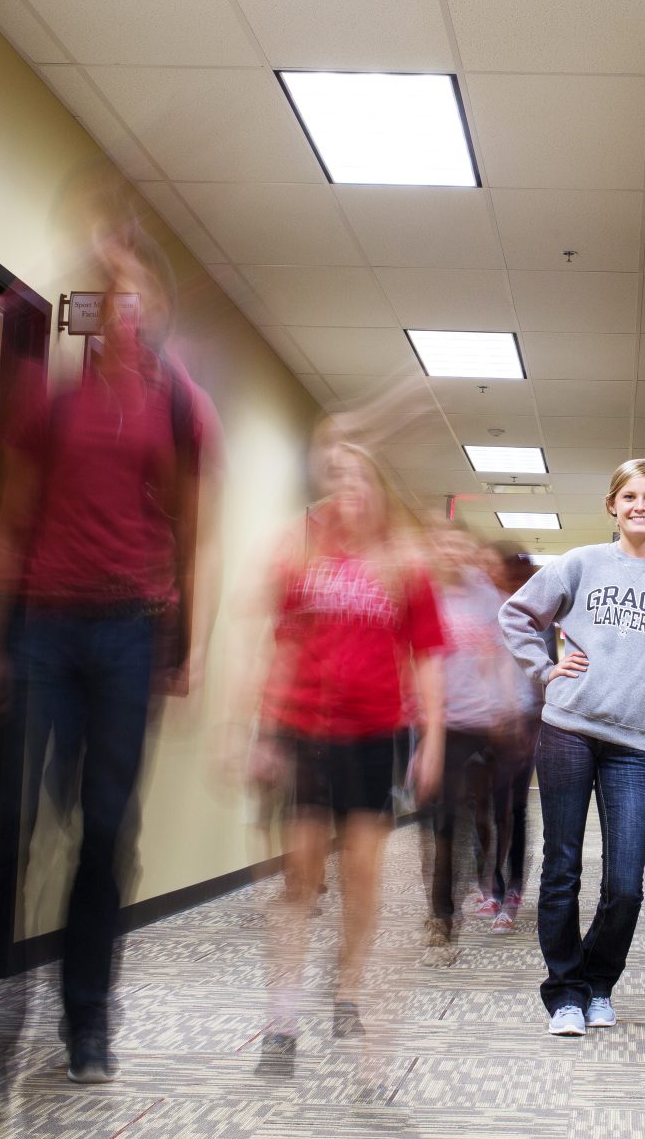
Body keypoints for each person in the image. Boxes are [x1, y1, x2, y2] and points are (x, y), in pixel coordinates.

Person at [0, 219, 221, 1084]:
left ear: (155, 315)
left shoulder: (178, 409)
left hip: (130, 630)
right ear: (92, 316)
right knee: (23, 815)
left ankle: (87, 1020)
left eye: (139, 301)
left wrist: (187, 641)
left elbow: (193, 532)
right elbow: (11, 524)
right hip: (45, 627)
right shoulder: (53, 407)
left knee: (106, 831)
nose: (124, 316)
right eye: (110, 300)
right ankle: (1, 1012)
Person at [248, 440, 445, 1074]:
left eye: (358, 477)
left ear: (377, 490)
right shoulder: (302, 559)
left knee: (362, 875)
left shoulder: (402, 565)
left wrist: (434, 737)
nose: (346, 489)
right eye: (335, 479)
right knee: (300, 874)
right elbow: (277, 646)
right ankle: (282, 1011)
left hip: (373, 735)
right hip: (305, 729)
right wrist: (259, 732)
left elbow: (428, 655)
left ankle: (348, 988)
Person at [499, 460, 645, 1036]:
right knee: (561, 867)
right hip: (567, 730)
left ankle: (597, 983)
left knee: (626, 884)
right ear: (612, 505)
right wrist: (546, 667)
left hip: (633, 745)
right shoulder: (581, 563)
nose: (641, 506)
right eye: (630, 496)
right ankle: (564, 992)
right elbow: (516, 615)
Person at [423, 525, 517, 947]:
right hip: (445, 724)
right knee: (444, 823)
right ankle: (441, 914)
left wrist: (509, 706)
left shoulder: (488, 598)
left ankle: (496, 888)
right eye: (443, 543)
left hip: (489, 722)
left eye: (460, 544)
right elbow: (417, 662)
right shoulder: (425, 597)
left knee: (497, 813)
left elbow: (500, 657)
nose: (451, 551)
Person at [484, 542, 546, 934]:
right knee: (488, 812)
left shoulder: (538, 615)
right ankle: (493, 887)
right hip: (485, 722)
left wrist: (536, 726)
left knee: (514, 809)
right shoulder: (484, 611)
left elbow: (545, 671)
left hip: (523, 722)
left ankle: (512, 891)